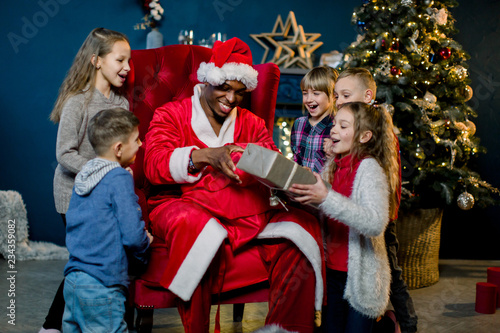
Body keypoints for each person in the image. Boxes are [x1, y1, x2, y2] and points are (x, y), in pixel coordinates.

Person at [144, 37, 324, 332]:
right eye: (224, 88)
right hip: (182, 203)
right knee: (194, 227)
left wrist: (288, 175)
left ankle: (286, 327)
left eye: (239, 92)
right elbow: (153, 164)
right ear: (207, 81)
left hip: (245, 208)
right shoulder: (171, 114)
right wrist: (205, 156)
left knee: (301, 228)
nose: (231, 98)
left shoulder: (251, 123)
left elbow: (271, 160)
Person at [41, 28, 131, 333]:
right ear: (96, 60)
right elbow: (65, 154)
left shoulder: (121, 106)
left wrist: (123, 172)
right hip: (74, 196)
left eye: (128, 60)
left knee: (98, 261)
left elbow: (120, 154)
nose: (127, 68)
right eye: (120, 60)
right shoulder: (77, 103)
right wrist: (105, 171)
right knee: (87, 262)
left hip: (106, 199)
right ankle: (54, 325)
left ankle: (106, 318)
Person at [289, 101, 400, 332]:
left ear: (364, 136)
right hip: (331, 273)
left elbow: (375, 223)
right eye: (334, 124)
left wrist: (325, 197)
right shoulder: (332, 165)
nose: (333, 130)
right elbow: (325, 211)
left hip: (360, 278)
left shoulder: (370, 169)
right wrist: (302, 191)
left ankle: (386, 326)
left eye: (343, 126)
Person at [327, 68, 418, 333]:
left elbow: (387, 183)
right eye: (336, 96)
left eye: (346, 95)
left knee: (393, 276)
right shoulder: (345, 142)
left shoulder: (377, 141)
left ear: (367, 96)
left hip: (380, 218)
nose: (339, 101)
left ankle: (406, 325)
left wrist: (387, 216)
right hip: (349, 232)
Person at [62, 108, 152, 332]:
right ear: (119, 148)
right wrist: (146, 244)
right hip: (103, 284)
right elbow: (132, 235)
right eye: (136, 139)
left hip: (73, 281)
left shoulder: (86, 174)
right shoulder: (118, 177)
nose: (141, 143)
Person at [290, 66, 338, 174]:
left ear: (333, 96)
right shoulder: (298, 124)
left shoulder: (337, 127)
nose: (309, 99)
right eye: (305, 93)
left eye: (316, 93)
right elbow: (296, 159)